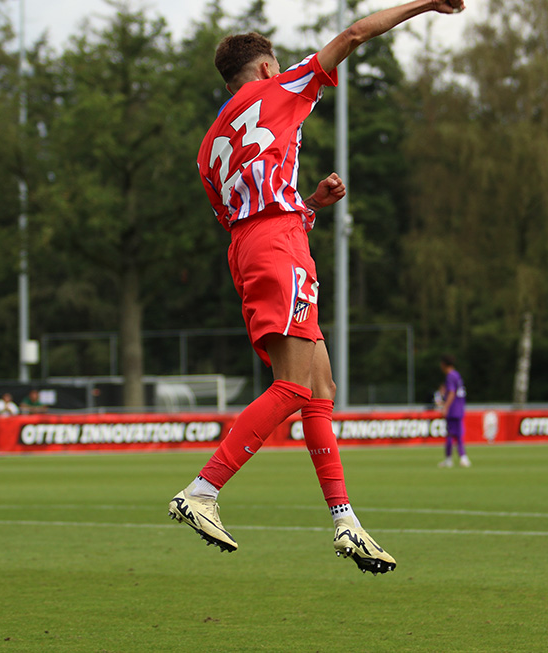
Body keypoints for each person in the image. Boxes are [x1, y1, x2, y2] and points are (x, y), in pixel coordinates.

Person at [169, 0, 466, 575]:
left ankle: (345, 521)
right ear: (262, 69)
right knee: (294, 385)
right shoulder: (279, 89)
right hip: (278, 246)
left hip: (256, 245)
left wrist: (308, 207)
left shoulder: (207, 148)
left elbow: (245, 214)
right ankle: (203, 489)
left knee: (319, 384)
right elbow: (354, 33)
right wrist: (428, 2)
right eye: (275, 64)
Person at [437, 354, 470, 468]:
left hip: (453, 409)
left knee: (450, 435)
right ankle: (463, 458)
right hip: (460, 408)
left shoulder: (450, 376)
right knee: (459, 435)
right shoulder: (457, 375)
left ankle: (449, 459)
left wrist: (445, 407)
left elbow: (452, 392)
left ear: (443, 364)